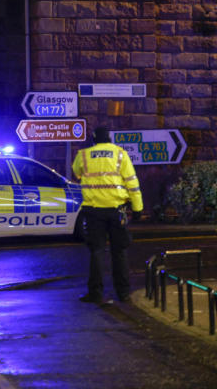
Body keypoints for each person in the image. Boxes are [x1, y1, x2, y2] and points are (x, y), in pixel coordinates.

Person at [71, 126, 144, 304]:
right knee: (119, 252)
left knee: (96, 252)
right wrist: (137, 208)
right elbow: (132, 182)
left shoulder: (84, 155)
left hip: (93, 211)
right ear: (110, 139)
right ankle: (123, 293)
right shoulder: (120, 154)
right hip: (116, 210)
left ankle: (95, 293)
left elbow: (76, 172)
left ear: (94, 140)